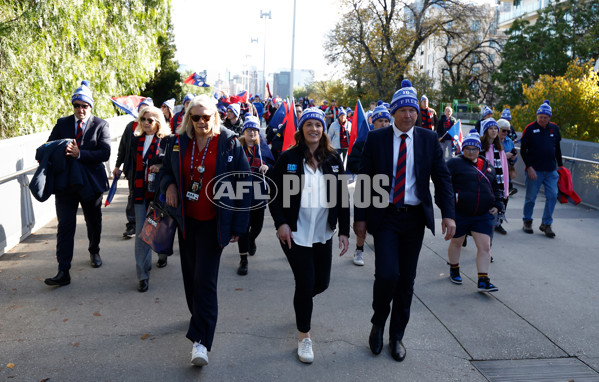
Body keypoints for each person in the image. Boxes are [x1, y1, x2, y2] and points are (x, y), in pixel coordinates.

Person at [354, 79, 455, 362]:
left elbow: (442, 178)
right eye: (403, 110)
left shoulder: (428, 139)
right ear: (394, 112)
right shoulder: (376, 139)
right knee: (387, 275)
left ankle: (396, 335)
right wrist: (359, 219)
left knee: (406, 281)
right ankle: (378, 322)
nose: (408, 115)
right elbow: (364, 180)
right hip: (385, 217)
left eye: (413, 110)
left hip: (413, 220)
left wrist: (448, 213)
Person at [159, 94, 250, 366]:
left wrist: (239, 226)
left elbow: (243, 185)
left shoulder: (230, 143)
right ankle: (197, 316)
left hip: (215, 222)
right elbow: (166, 172)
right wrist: (170, 186)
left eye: (205, 117)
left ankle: (201, 342)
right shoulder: (178, 143)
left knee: (204, 281)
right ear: (189, 118)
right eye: (195, 117)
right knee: (190, 278)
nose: (200, 122)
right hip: (187, 221)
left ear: (215, 116)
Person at [269, 107, 350, 364]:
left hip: (322, 233)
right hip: (294, 233)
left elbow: (343, 198)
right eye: (309, 125)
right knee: (305, 282)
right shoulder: (288, 158)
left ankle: (302, 303)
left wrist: (344, 231)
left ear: (323, 129)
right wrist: (280, 223)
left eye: (318, 124)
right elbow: (273, 193)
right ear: (301, 130)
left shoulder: (334, 160)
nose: (314, 129)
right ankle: (304, 336)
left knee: (321, 283)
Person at [44, 81, 111, 287]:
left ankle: (94, 250)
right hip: (66, 184)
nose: (80, 110)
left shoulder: (101, 125)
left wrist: (79, 153)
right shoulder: (62, 123)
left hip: (90, 183)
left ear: (91, 107)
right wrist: (56, 151)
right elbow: (49, 144)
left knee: (93, 221)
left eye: (84, 106)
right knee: (65, 226)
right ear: (73, 106)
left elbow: (105, 152)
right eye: (77, 105)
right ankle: (63, 270)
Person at [446, 130, 504, 292]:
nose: (471, 151)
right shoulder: (454, 164)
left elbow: (496, 188)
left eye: (474, 148)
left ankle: (483, 280)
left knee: (485, 246)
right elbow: (444, 186)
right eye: (468, 148)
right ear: (462, 149)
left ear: (479, 149)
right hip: (460, 213)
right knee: (457, 242)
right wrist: (448, 209)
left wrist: (498, 204)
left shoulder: (488, 166)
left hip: (483, 214)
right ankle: (454, 269)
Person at [128, 106, 171, 292]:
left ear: (158, 123)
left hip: (157, 195)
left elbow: (171, 166)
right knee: (142, 234)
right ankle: (143, 275)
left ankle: (162, 255)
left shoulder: (167, 142)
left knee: (154, 231)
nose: (146, 123)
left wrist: (160, 167)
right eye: (143, 119)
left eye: (150, 120)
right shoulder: (135, 140)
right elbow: (130, 164)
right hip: (139, 193)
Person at [347, 104, 390, 266]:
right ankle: (359, 249)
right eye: (380, 121)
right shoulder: (363, 141)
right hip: (365, 188)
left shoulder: (394, 141)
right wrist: (368, 167)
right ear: (373, 122)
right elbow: (352, 164)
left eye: (387, 121)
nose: (384, 124)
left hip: (385, 191)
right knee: (361, 222)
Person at [236, 115, 275, 276]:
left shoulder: (263, 148)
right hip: (241, 190)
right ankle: (243, 260)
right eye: (249, 130)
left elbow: (273, 165)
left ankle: (252, 240)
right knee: (243, 227)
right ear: (244, 131)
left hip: (259, 191)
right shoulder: (237, 147)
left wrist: (267, 166)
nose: (252, 133)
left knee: (257, 225)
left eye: (255, 130)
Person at [520, 100, 563, 238]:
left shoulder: (554, 129)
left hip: (551, 170)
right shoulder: (530, 128)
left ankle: (546, 224)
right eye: (540, 117)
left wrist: (561, 166)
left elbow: (557, 149)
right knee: (531, 198)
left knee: (552, 196)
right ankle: (527, 221)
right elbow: (523, 150)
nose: (542, 119)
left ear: (549, 118)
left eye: (545, 117)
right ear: (537, 116)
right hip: (535, 170)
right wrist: (530, 167)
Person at [114, 97, 154, 238]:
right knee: (133, 196)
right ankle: (132, 225)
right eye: (141, 109)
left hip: (151, 173)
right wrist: (118, 165)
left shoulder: (157, 131)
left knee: (150, 198)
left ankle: (150, 226)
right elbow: (123, 147)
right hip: (133, 169)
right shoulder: (131, 127)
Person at [480, 119, 509, 235]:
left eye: (496, 128)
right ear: (486, 130)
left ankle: (496, 225)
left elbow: (504, 170)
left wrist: (505, 188)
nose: (494, 131)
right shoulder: (480, 146)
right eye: (491, 128)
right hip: (483, 182)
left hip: (496, 184)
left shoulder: (499, 148)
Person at [498, 118, 518, 196]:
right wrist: (504, 156)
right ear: (498, 129)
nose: (506, 133)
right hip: (496, 174)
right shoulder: (491, 141)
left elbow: (515, 158)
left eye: (508, 131)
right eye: (504, 130)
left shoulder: (509, 141)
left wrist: (514, 157)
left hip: (507, 173)